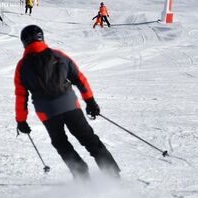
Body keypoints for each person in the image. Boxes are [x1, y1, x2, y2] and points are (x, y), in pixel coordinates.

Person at [14, 25, 120, 180]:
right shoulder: (58, 55)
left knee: (61, 143)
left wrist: (21, 121)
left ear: (24, 42)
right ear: (41, 38)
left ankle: (81, 175)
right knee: (89, 139)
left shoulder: (22, 66)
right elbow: (79, 78)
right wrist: (90, 101)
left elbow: (21, 96)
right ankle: (112, 174)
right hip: (70, 105)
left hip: (46, 112)